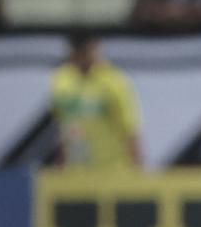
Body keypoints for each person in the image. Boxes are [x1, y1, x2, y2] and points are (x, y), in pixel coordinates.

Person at [50, 30, 140, 169]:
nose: (81, 54)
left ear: (95, 46)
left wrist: (136, 173)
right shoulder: (61, 79)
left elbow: (129, 131)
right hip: (75, 173)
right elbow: (61, 128)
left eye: (85, 48)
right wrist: (61, 168)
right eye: (77, 48)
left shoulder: (114, 81)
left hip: (111, 171)